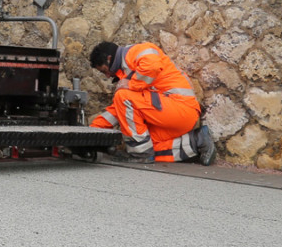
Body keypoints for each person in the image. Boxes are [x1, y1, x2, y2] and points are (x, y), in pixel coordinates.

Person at [88, 39, 216, 164]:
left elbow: (152, 64)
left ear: (109, 59)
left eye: (104, 71)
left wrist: (132, 84)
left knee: (123, 95)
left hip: (180, 108)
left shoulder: (134, 52)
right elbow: (118, 109)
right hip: (178, 115)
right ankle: (197, 141)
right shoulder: (126, 73)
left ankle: (140, 154)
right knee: (146, 144)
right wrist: (92, 131)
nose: (107, 76)